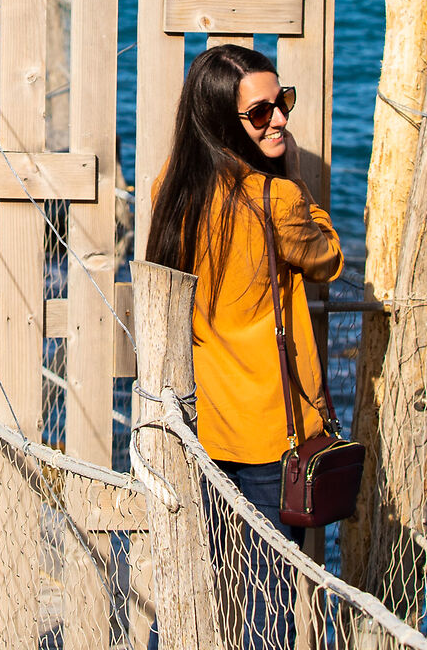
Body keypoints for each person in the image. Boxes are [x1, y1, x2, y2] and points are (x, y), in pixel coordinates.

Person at [145, 43, 345, 646]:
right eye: (260, 113)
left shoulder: (170, 191)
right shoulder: (277, 200)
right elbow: (328, 258)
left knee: (197, 588)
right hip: (266, 434)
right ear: (221, 122)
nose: (280, 118)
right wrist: (291, 182)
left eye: (281, 101)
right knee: (269, 607)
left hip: (199, 422)